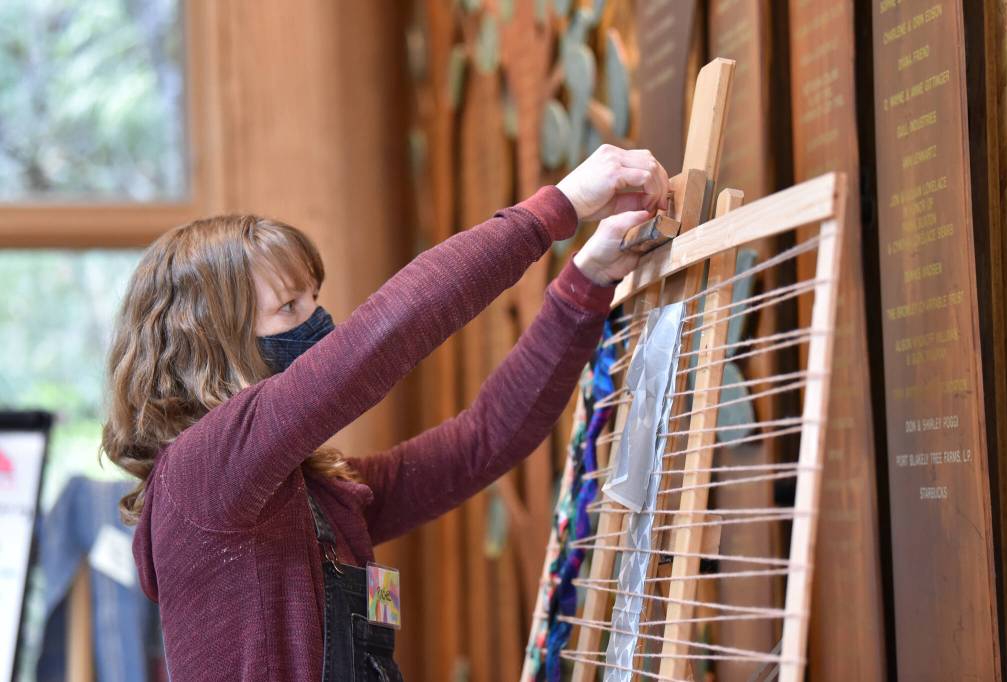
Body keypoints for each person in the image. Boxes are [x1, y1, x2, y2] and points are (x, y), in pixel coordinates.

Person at [102, 144, 670, 681]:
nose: (320, 324)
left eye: (315, 300)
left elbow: (485, 439)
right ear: (215, 344)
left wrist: (587, 282)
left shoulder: (323, 500)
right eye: (288, 308)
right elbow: (382, 337)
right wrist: (558, 206)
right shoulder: (203, 470)